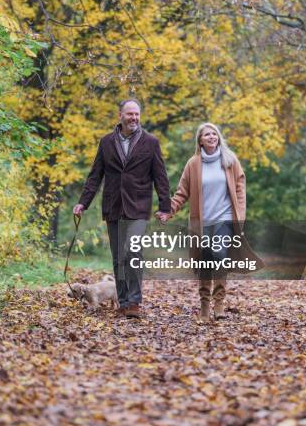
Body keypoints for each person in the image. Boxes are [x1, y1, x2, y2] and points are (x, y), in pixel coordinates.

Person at [73, 99, 171, 319]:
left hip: (138, 207)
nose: (134, 118)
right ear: (120, 115)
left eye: (137, 114)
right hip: (113, 206)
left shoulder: (151, 142)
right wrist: (83, 202)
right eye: (130, 114)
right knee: (119, 257)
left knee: (133, 251)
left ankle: (134, 301)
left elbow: (161, 177)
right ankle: (124, 301)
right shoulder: (106, 142)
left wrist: (166, 206)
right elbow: (95, 175)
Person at [159, 123, 246, 322]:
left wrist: (239, 214)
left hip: (224, 219)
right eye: (207, 134)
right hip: (203, 222)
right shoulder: (193, 164)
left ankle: (219, 303)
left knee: (220, 254)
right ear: (200, 140)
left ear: (218, 137)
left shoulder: (230, 160)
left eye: (214, 133)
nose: (211, 137)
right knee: (205, 259)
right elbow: (182, 192)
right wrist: (168, 211)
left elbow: (240, 187)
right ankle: (205, 304)